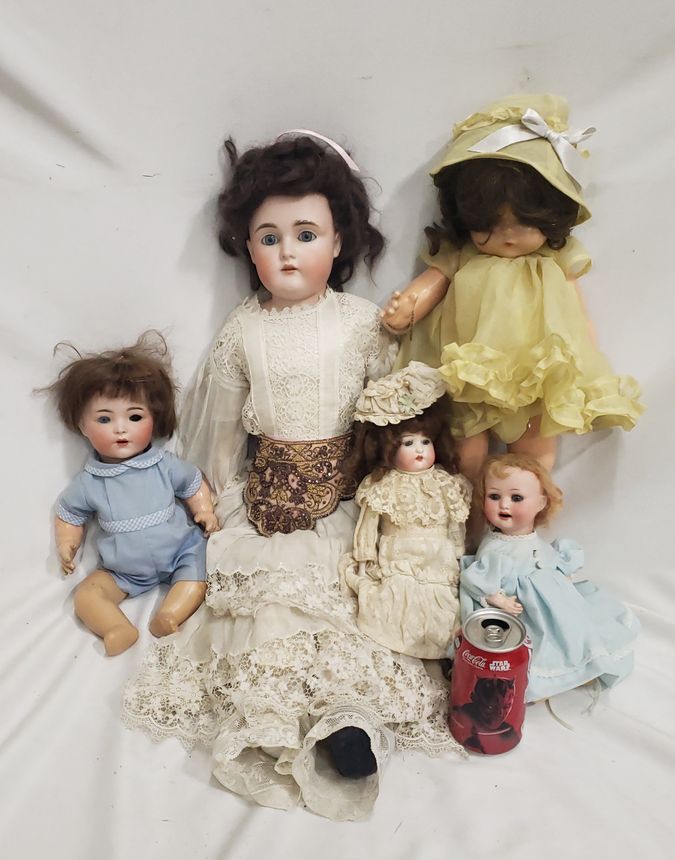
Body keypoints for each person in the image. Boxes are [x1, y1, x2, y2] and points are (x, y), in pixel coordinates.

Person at [122, 133, 461, 822]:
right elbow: (219, 427)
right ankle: (269, 719)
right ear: (247, 248)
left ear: (338, 243)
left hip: (344, 499)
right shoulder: (243, 330)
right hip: (265, 501)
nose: (286, 252)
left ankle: (347, 719)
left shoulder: (363, 324)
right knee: (269, 605)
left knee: (348, 609)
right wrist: (205, 497)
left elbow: (388, 415)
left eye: (305, 235)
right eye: (268, 237)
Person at [383, 94, 643, 479]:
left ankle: (527, 510)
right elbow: (431, 284)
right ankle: (469, 510)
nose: (507, 236)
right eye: (489, 223)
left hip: (534, 372)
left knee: (534, 451)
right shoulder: (462, 254)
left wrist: (584, 357)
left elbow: (576, 313)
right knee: (465, 452)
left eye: (523, 222)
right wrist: (406, 308)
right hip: (467, 371)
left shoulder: (555, 258)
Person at [45, 332, 218, 656]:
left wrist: (204, 510)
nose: (120, 428)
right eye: (104, 419)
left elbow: (192, 484)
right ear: (82, 426)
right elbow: (70, 514)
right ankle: (116, 627)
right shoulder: (88, 483)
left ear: (154, 419)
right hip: (122, 570)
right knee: (86, 596)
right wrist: (67, 543)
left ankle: (170, 614)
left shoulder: (164, 465)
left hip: (181, 552)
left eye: (135, 416)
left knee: (197, 578)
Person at [459, 453, 640, 702]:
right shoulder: (495, 548)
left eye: (516, 498)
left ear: (541, 503)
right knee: (542, 641)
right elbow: (479, 580)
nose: (504, 505)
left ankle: (584, 661)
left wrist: (559, 573)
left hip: (550, 597)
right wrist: (498, 599)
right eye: (494, 496)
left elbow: (542, 554)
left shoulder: (528, 536)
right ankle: (548, 677)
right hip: (524, 609)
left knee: (576, 626)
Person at [340, 363, 471, 658]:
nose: (420, 449)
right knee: (397, 598)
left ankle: (436, 642)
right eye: (408, 443)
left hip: (437, 558)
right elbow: (368, 525)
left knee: (441, 603)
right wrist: (364, 557)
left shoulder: (445, 483)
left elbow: (455, 523)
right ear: (389, 449)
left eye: (425, 441)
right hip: (400, 556)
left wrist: (459, 553)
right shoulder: (383, 485)